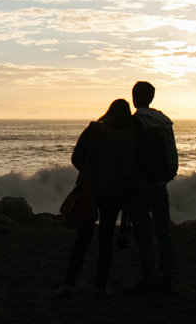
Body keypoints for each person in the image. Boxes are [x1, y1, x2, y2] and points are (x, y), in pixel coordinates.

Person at [55, 99, 136, 297]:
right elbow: (127, 169)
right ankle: (100, 287)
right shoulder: (129, 138)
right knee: (106, 240)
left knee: (82, 239)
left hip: (88, 191)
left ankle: (68, 284)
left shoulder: (93, 130)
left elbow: (76, 158)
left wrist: (87, 175)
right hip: (114, 193)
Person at [125, 81, 178, 296]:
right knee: (164, 232)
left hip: (140, 187)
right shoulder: (165, 122)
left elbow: (129, 156)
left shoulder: (133, 123)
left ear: (134, 98)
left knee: (144, 235)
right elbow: (172, 155)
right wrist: (166, 177)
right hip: (160, 186)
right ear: (152, 98)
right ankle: (166, 278)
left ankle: (148, 278)